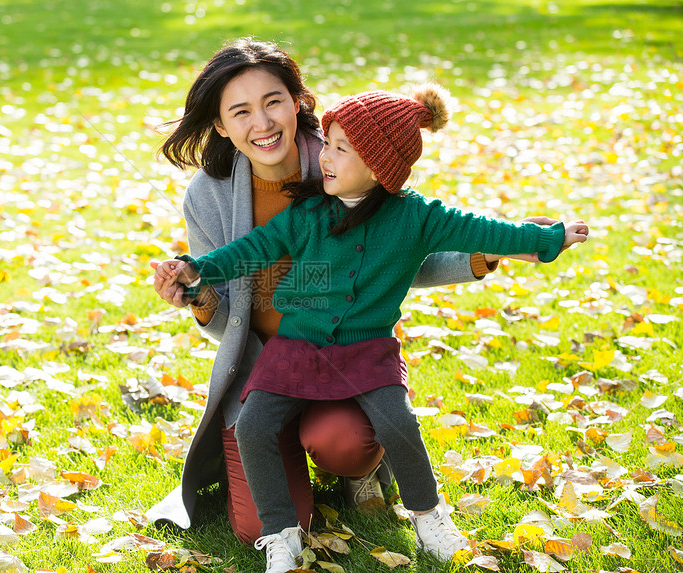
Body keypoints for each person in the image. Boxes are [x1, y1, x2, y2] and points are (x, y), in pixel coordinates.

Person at [154, 83, 589, 572]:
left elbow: (487, 230)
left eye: (341, 149)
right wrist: (197, 272)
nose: (327, 159)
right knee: (254, 423)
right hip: (294, 348)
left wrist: (547, 238)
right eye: (331, 145)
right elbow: (248, 252)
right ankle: (281, 534)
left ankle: (429, 518)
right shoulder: (308, 212)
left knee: (398, 420)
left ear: (381, 166)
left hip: (367, 349)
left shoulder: (418, 216)